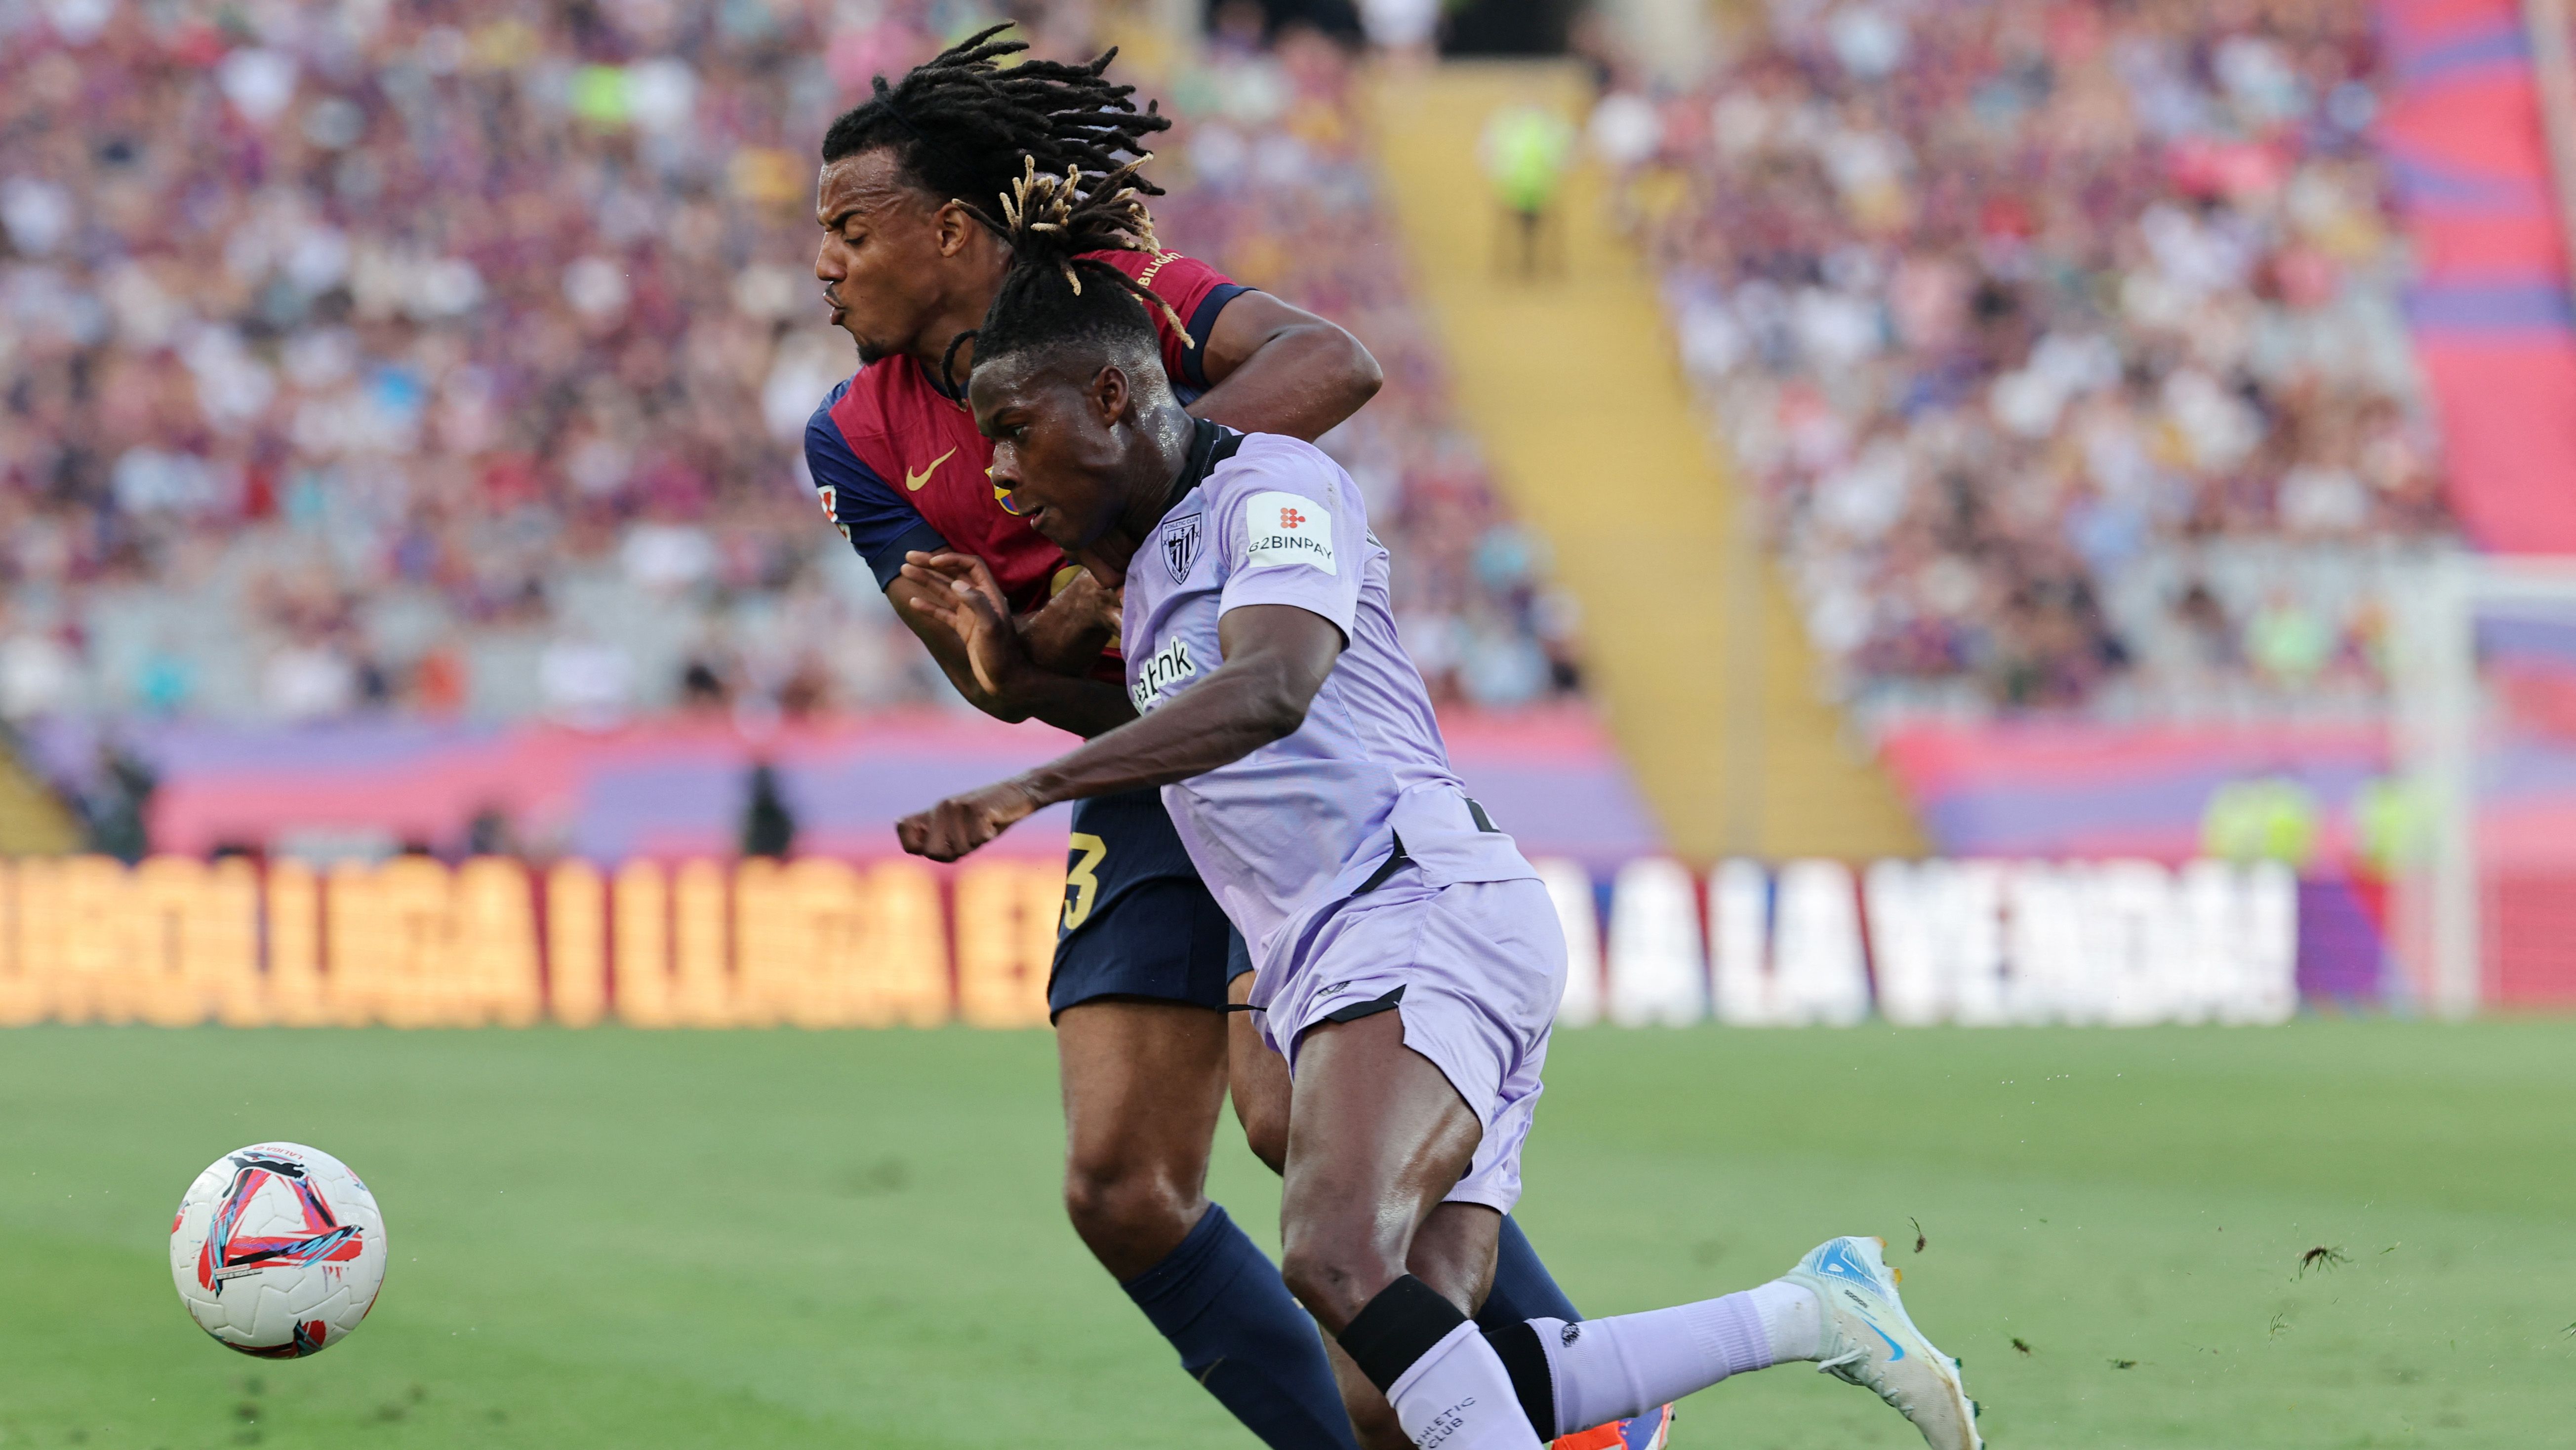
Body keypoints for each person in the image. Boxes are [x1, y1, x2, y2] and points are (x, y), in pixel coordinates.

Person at [895, 163, 1984, 1450]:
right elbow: (1188, 728)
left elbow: (1275, 687)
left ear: (1117, 395)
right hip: (1336, 952)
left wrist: (1036, 783)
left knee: (1333, 1253)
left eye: (1017, 431)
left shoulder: (1275, 490)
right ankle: (1814, 1312)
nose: (1001, 473)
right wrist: (1021, 682)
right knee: (1396, 1390)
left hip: (1414, 912)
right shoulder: (1152, 576)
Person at [800, 28, 1641, 1449]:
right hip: (1131, 765)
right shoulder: (852, 440)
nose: (824, 264)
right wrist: (1011, 667)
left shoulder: (1114, 309)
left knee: (1292, 1130)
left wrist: (1129, 541)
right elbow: (1000, 679)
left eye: (848, 229)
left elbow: (1331, 363)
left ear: (948, 229)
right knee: (1118, 1184)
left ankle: (1579, 1416)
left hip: (1269, 753)